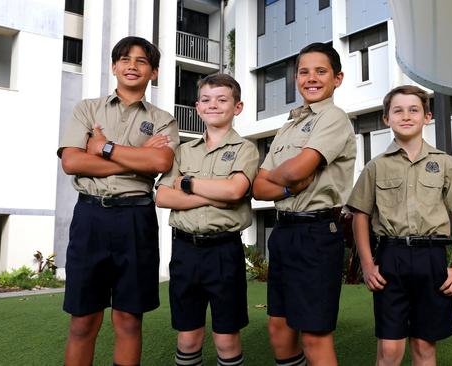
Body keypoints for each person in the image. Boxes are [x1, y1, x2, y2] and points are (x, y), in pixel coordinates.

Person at [58, 36, 179, 366]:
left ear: (153, 72)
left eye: (142, 61)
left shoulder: (163, 119)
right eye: (125, 59)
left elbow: (160, 164)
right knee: (83, 320)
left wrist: (104, 147)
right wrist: (138, 156)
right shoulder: (87, 109)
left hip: (135, 220)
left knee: (128, 320)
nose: (132, 65)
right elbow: (72, 162)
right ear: (114, 67)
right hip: (90, 217)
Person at [347, 85, 452, 366]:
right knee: (390, 349)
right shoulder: (376, 166)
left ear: (427, 116)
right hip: (391, 257)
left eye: (414, 110)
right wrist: (368, 265)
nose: (406, 116)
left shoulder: (445, 164)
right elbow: (360, 216)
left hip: (432, 258)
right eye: (398, 110)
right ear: (386, 119)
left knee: (424, 346)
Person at [252, 42, 356, 366]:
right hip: (283, 232)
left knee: (314, 335)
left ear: (337, 78)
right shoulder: (288, 126)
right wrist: (286, 189)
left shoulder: (334, 118)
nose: (311, 78)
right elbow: (257, 186)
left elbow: (299, 169)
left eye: (320, 71)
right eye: (303, 71)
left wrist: (280, 176)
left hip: (316, 234)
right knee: (279, 329)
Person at [155, 73, 258, 366]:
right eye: (206, 100)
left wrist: (187, 184)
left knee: (226, 339)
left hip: (224, 252)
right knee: (188, 337)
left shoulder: (245, 149)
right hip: (185, 252)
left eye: (222, 99)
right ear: (198, 107)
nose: (214, 105)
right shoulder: (182, 151)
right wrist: (218, 194)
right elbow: (162, 197)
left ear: (237, 107)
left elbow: (236, 189)